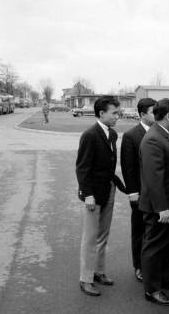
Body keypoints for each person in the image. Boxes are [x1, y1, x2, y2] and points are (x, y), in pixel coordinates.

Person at [139, 98, 169, 306]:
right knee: (154, 247)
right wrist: (162, 208)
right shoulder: (153, 139)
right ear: (168, 116)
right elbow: (153, 177)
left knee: (167, 245)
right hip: (160, 207)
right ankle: (152, 289)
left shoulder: (164, 135)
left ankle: (167, 279)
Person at [75, 95, 126, 296]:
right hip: (93, 195)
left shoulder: (111, 134)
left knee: (103, 235)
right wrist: (87, 194)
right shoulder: (90, 135)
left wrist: (121, 186)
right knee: (90, 238)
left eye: (118, 112)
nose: (117, 116)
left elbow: (108, 167)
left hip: (108, 191)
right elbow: (82, 168)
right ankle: (85, 279)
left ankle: (99, 272)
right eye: (114, 113)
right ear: (101, 113)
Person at [121, 98, 157, 283]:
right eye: (153, 111)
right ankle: (139, 266)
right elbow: (128, 168)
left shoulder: (160, 132)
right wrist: (132, 192)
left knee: (155, 232)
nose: (157, 114)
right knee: (139, 231)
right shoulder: (131, 136)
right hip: (140, 193)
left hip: (157, 193)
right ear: (142, 114)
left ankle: (153, 265)